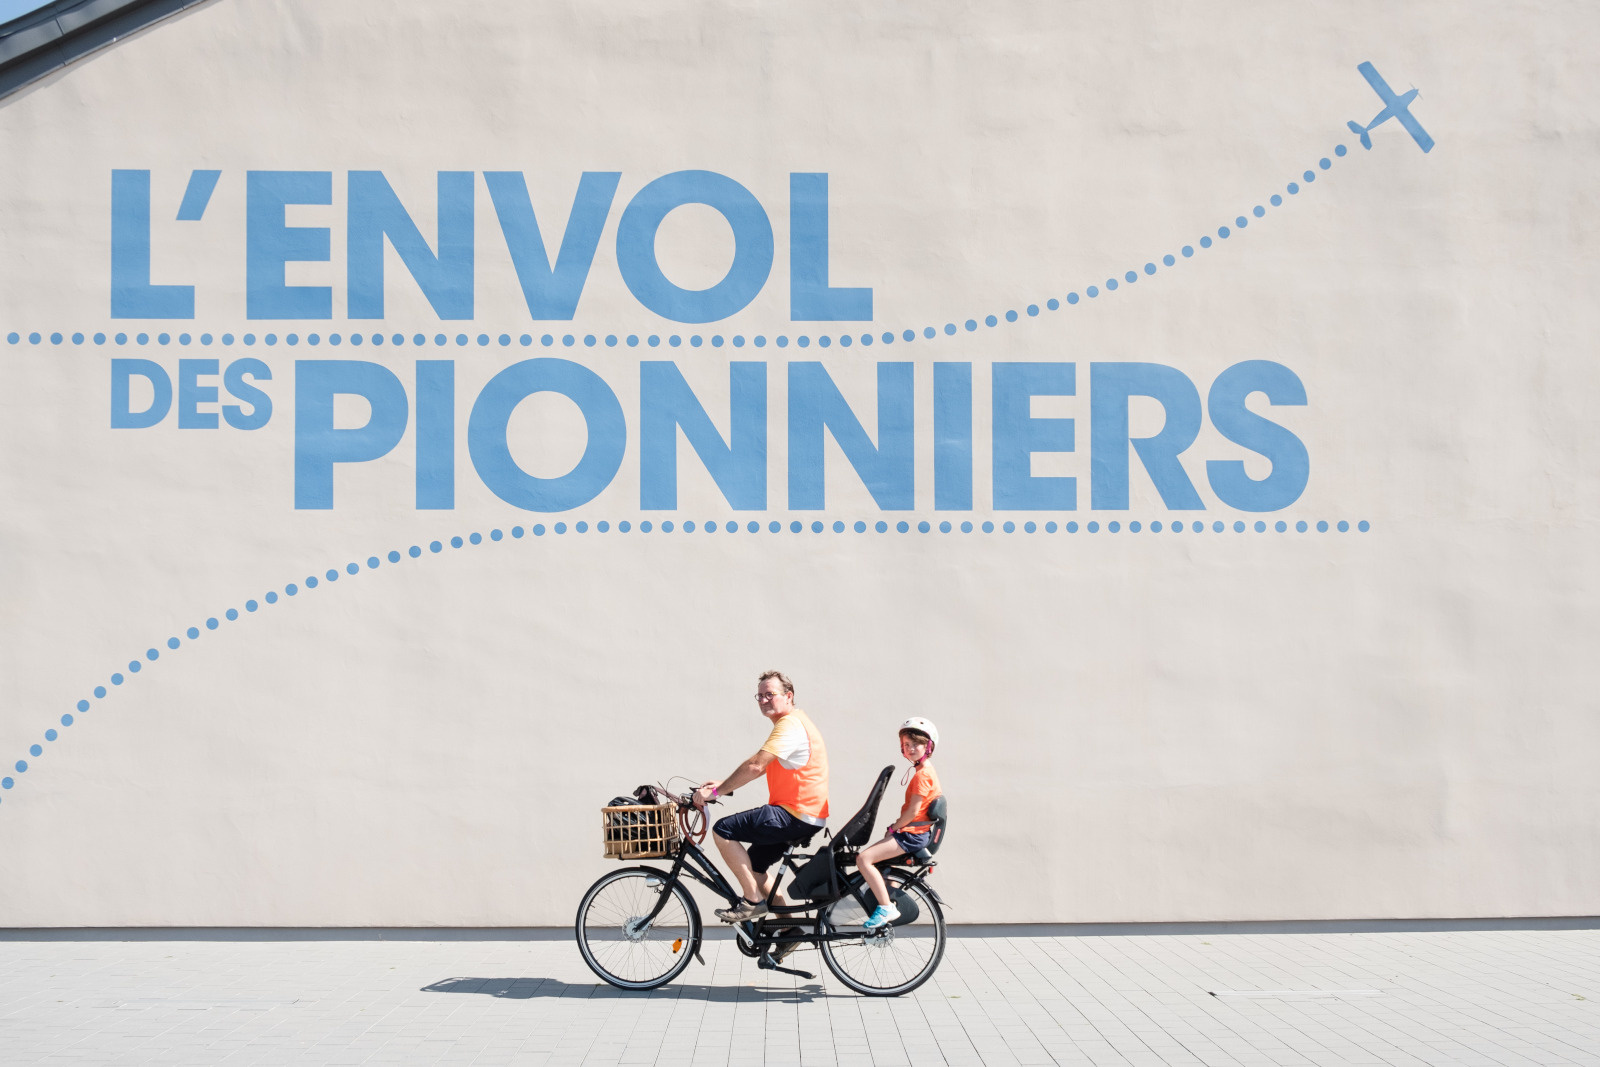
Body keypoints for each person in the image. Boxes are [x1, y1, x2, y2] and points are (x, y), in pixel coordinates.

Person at [693, 670, 829, 922]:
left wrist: (714, 792)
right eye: (760, 695)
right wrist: (725, 785)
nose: (764, 700)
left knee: (723, 830)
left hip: (796, 813)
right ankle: (789, 928)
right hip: (802, 814)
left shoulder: (790, 725)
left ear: (788, 696)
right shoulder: (791, 723)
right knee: (754, 867)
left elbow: (755, 765)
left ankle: (753, 901)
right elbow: (764, 767)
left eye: (770, 694)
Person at [855, 718, 941, 930]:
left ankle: (886, 907)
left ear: (928, 746)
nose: (910, 748)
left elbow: (913, 811)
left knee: (863, 859)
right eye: (906, 745)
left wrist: (894, 828)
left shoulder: (923, 776)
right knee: (884, 862)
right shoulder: (925, 771)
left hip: (912, 835)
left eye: (915, 744)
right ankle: (890, 899)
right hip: (914, 833)